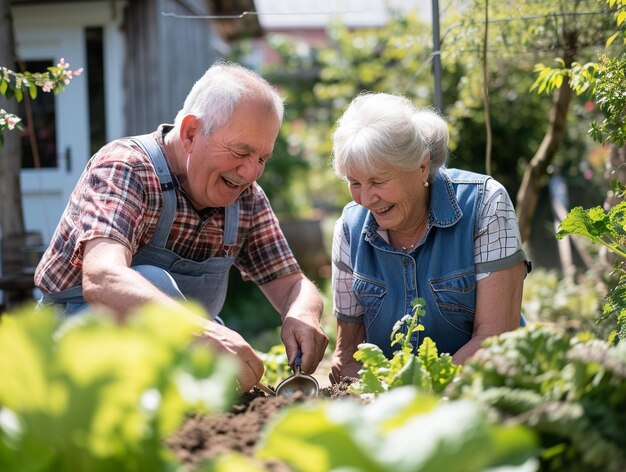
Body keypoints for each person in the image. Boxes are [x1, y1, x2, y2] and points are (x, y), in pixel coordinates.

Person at [34, 61, 328, 391]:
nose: (250, 173)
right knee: (155, 282)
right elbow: (102, 278)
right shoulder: (127, 167)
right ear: (190, 132)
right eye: (241, 152)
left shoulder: (245, 198)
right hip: (74, 348)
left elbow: (291, 284)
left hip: (170, 361)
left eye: (262, 158)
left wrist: (303, 312)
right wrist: (202, 331)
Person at [328, 92, 530, 382]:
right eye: (355, 182)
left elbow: (495, 337)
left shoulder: (484, 203)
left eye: (378, 181)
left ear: (422, 166)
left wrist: (423, 395)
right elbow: (348, 351)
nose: (367, 199)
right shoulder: (349, 227)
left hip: (481, 389)